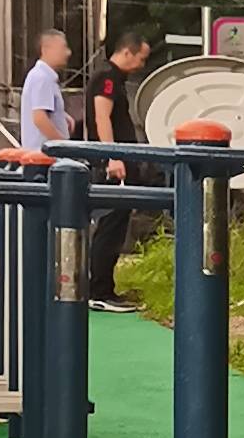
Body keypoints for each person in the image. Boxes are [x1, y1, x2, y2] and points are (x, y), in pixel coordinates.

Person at [87, 21, 158, 290]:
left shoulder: (115, 78)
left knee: (117, 227)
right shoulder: (107, 78)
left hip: (120, 160)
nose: (142, 64)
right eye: (142, 58)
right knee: (110, 226)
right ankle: (99, 287)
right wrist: (112, 156)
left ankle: (105, 285)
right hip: (114, 163)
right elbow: (101, 116)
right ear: (127, 52)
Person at [18, 22, 78, 158]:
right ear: (46, 49)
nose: (68, 52)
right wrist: (62, 147)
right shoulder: (42, 77)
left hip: (42, 156)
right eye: (63, 48)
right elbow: (40, 118)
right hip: (44, 158)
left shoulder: (43, 76)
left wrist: (62, 116)